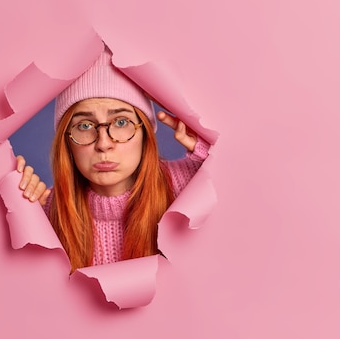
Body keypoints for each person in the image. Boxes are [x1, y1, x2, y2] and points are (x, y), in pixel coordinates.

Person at [16, 46, 209, 271]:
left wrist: (208, 146)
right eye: (85, 126)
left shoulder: (192, 184)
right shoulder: (47, 210)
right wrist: (29, 217)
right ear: (66, 140)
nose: (103, 143)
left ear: (145, 132)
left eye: (120, 122)